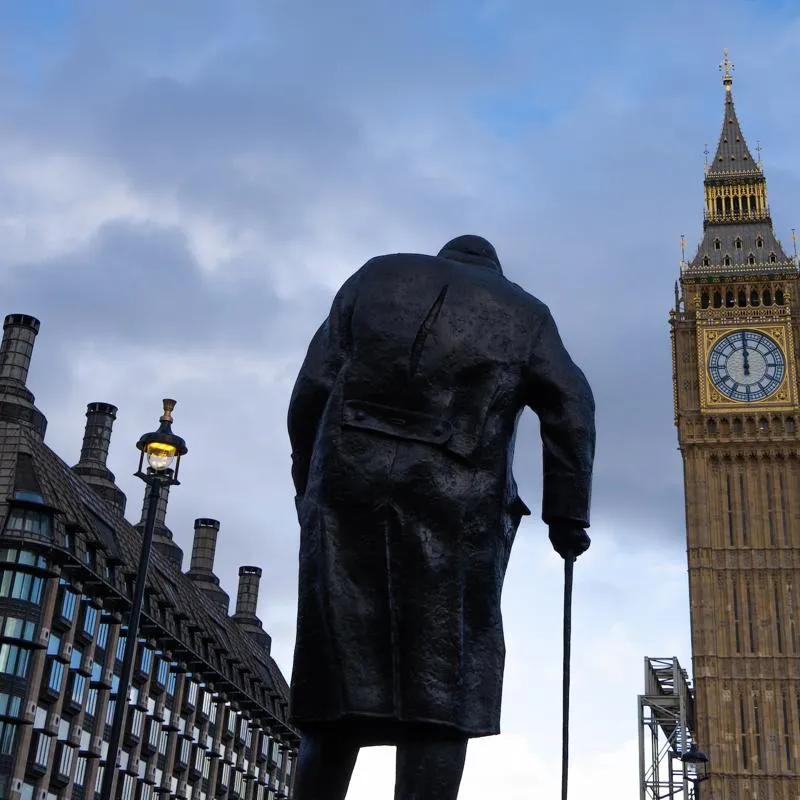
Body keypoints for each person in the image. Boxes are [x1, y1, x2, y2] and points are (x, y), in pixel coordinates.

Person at [287, 235, 595, 800]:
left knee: (335, 684)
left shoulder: (374, 275)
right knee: (444, 687)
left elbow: (311, 387)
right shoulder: (525, 313)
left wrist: (308, 481)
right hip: (457, 503)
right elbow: (571, 404)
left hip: (345, 487)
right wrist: (567, 517)